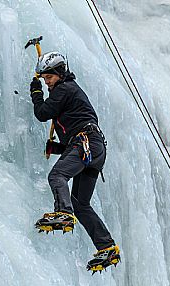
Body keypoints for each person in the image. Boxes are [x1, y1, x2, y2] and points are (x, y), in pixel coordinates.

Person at [29, 51, 120, 273]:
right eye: (43, 79)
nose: (47, 81)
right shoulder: (69, 91)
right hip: (94, 148)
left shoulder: (64, 89)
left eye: (48, 77)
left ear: (59, 73)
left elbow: (42, 113)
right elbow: (73, 135)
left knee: (57, 176)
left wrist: (36, 92)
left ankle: (63, 213)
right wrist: (57, 148)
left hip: (86, 142)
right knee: (81, 204)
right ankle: (106, 246)